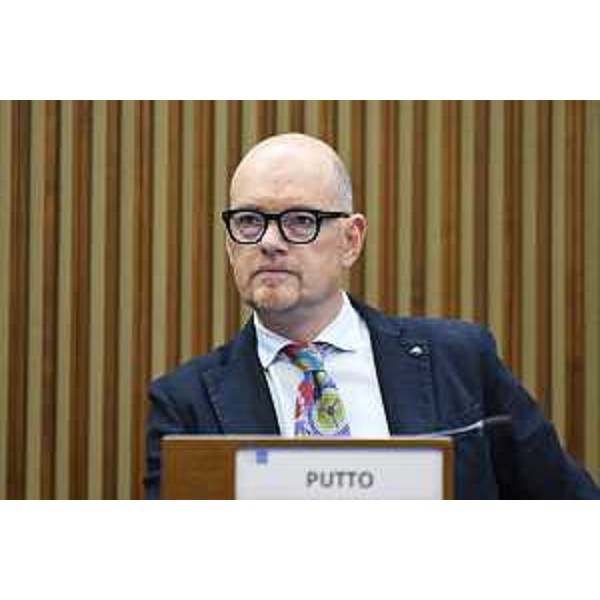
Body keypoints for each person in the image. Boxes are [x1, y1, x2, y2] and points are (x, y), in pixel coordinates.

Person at [145, 132, 600, 499]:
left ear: (351, 240)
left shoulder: (460, 360)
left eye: (300, 220)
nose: (269, 241)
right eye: (249, 221)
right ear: (230, 244)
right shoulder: (185, 405)